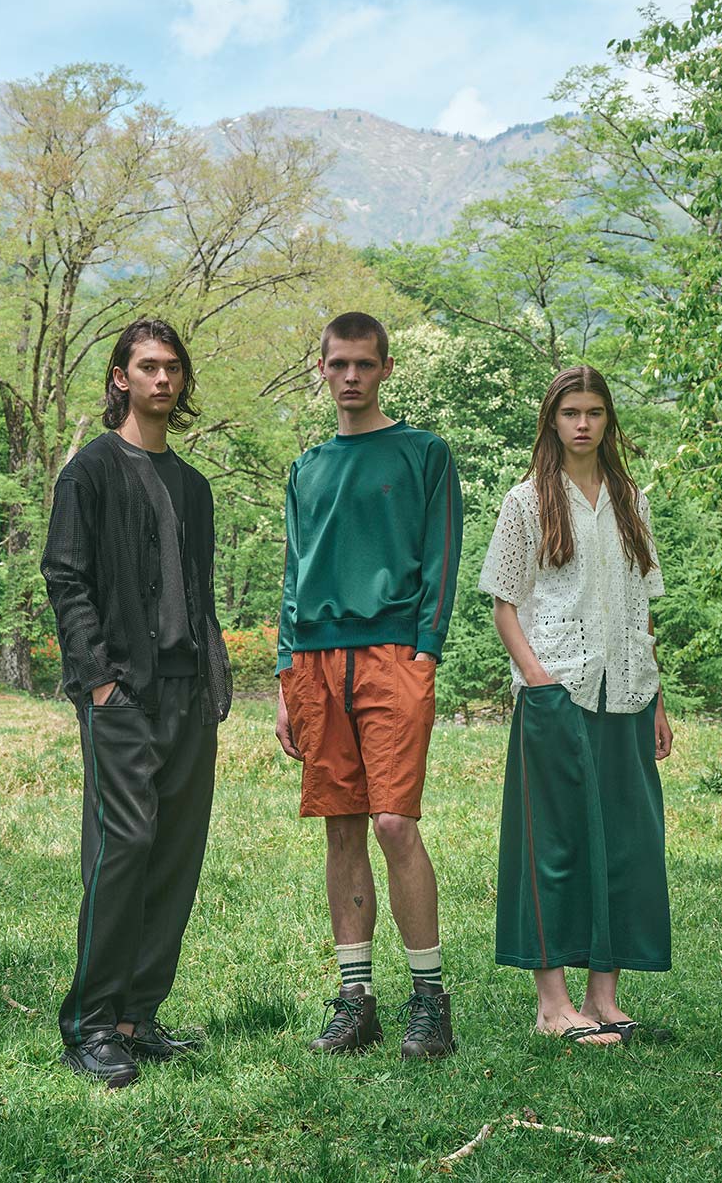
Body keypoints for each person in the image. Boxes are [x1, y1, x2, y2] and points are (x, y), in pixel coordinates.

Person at [41, 317, 231, 1088]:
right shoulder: (89, 472)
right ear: (121, 376)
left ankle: (136, 1018)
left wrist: (212, 681)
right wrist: (99, 682)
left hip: (188, 692)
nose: (162, 379)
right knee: (123, 849)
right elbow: (65, 577)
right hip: (121, 693)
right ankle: (90, 1024)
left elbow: (199, 594)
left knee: (176, 856)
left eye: (173, 368)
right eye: (148, 366)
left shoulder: (193, 486)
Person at [274, 312, 463, 1059]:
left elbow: (441, 555)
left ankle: (430, 1003)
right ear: (321, 369)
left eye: (363, 363)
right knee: (342, 824)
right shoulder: (307, 467)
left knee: (393, 823)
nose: (350, 376)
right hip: (315, 662)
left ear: (385, 368)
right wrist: (286, 672)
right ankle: (356, 1003)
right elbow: (293, 574)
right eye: (338, 364)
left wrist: (426, 653)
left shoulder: (423, 453)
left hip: (393, 656)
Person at [478, 365, 672, 1047]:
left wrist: (657, 699)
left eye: (593, 412)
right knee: (553, 846)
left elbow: (641, 606)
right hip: (556, 691)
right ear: (552, 421)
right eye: (570, 413)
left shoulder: (631, 500)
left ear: (608, 419)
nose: (582, 424)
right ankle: (553, 1005)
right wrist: (539, 682)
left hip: (629, 690)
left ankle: (604, 998)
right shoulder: (526, 501)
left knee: (624, 843)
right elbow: (504, 605)